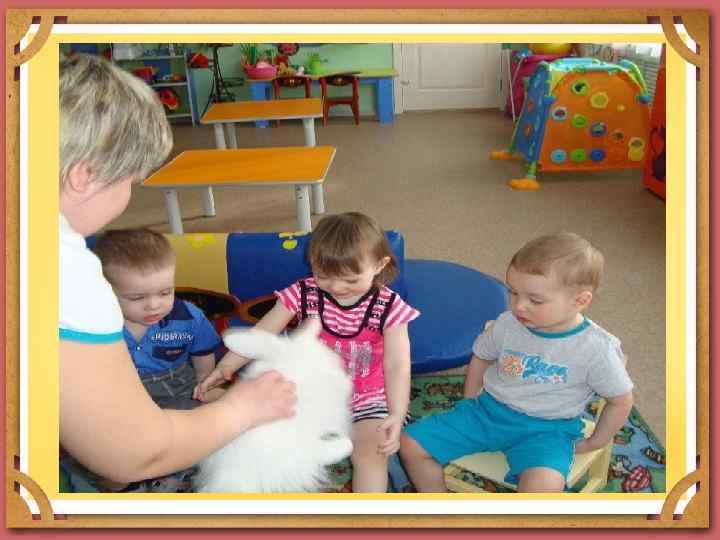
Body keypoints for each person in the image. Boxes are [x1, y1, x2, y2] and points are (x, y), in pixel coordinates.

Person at [59, 53, 296, 486]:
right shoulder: (69, 275)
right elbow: (133, 452)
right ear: (84, 176)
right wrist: (242, 407)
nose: (128, 194)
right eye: (129, 181)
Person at [194, 212, 420, 492]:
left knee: (371, 453)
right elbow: (262, 334)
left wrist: (397, 413)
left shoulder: (389, 306)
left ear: (379, 265)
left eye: (350, 280)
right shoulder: (304, 292)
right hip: (309, 394)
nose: (336, 287)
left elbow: (398, 365)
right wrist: (225, 367)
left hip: (368, 396)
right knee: (260, 431)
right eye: (323, 275)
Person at [399, 232, 634, 492]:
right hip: (487, 412)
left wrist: (596, 441)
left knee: (544, 488)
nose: (519, 306)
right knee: (410, 443)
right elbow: (481, 356)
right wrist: (469, 398)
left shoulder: (596, 349)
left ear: (580, 301)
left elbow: (621, 400)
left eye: (535, 300)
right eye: (513, 292)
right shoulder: (508, 323)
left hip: (548, 431)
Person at [93, 228, 233, 410]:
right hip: (119, 389)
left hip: (178, 386)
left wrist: (204, 384)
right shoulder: (96, 321)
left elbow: (202, 352)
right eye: (137, 298)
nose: (153, 305)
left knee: (221, 405)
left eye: (165, 293)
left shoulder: (188, 316)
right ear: (105, 291)